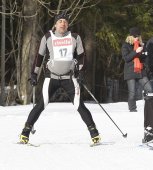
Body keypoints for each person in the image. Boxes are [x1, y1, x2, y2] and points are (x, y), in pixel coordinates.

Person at [19, 12, 100, 145]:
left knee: (79, 105)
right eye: (60, 21)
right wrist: (34, 74)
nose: (63, 23)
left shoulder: (75, 37)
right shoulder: (47, 37)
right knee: (41, 104)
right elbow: (39, 57)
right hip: (51, 77)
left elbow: (82, 57)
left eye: (65, 22)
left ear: (68, 24)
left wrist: (80, 72)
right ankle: (25, 133)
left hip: (69, 78)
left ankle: (94, 133)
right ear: (55, 24)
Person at [121, 27, 152, 112]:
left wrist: (145, 54)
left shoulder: (141, 45)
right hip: (130, 71)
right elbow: (126, 58)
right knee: (132, 93)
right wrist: (136, 51)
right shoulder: (126, 45)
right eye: (135, 36)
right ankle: (132, 109)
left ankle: (149, 107)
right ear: (130, 36)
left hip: (141, 71)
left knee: (149, 89)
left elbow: (145, 58)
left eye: (138, 36)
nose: (136, 38)